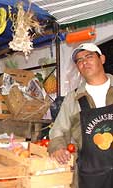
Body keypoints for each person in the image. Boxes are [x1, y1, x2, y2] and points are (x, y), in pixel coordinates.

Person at [48, 43, 113, 188]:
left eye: (89, 56)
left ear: (102, 59)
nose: (84, 62)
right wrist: (57, 148)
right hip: (91, 175)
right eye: (79, 60)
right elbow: (58, 131)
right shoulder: (73, 98)